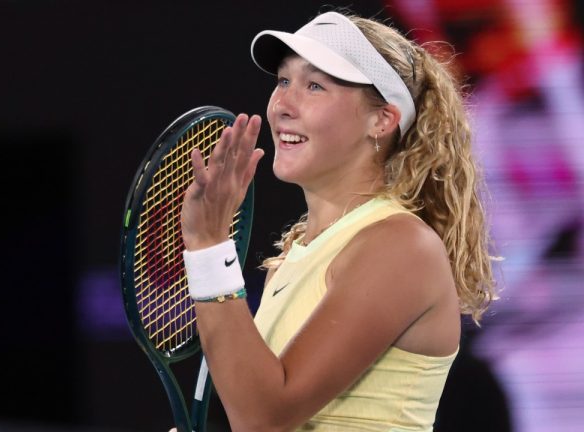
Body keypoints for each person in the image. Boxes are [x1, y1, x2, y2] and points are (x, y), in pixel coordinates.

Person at [178, 9, 497, 432]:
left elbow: (264, 417)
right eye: (283, 81)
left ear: (382, 119)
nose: (283, 106)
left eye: (314, 86)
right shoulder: (297, 255)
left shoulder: (400, 246)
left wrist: (209, 244)